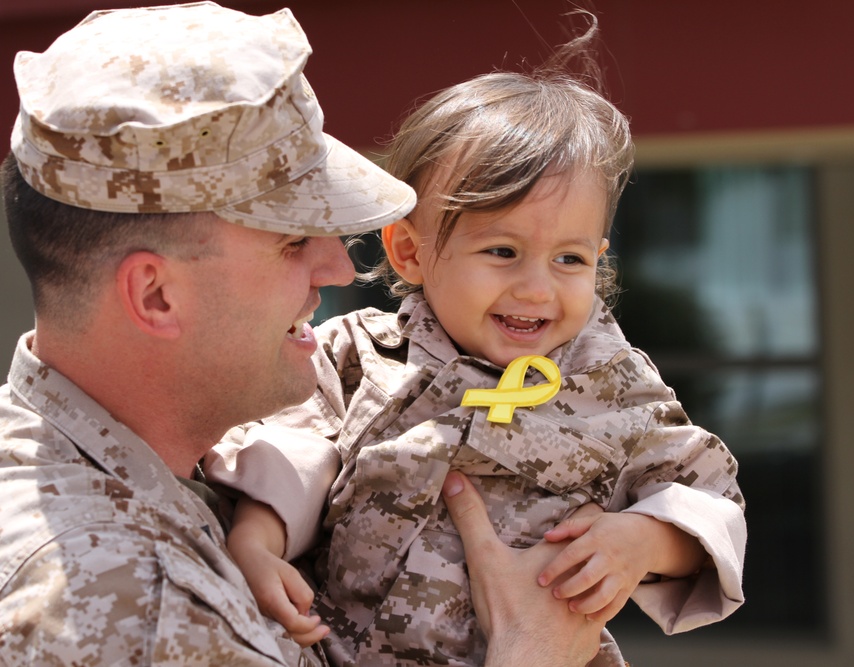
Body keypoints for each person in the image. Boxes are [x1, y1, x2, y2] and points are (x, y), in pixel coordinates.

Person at [0, 3, 607, 666]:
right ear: (157, 294)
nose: (339, 266)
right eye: (294, 241)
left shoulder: (170, 473)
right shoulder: (123, 603)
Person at [210, 16, 748, 667]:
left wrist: (642, 539)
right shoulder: (362, 354)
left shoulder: (610, 381)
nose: (536, 289)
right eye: (502, 250)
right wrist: (258, 543)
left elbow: (708, 496)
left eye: (570, 260)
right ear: (410, 248)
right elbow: (291, 449)